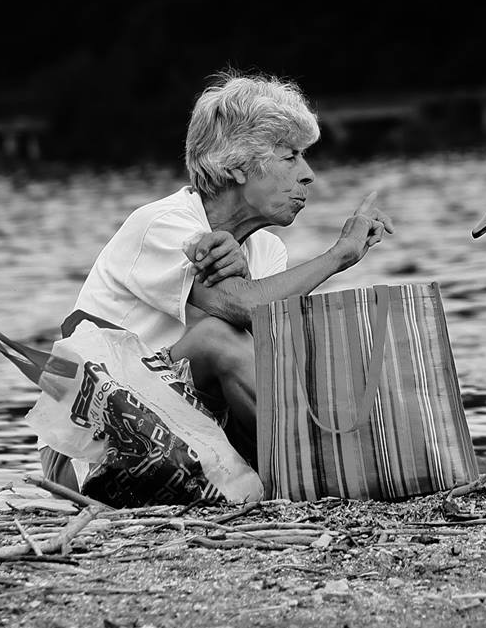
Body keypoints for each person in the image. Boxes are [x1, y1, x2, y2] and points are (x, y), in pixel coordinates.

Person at [42, 71, 393, 489]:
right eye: (291, 156)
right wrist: (340, 255)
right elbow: (241, 307)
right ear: (241, 166)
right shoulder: (161, 223)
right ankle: (340, 470)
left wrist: (244, 274)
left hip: (188, 440)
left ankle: (336, 465)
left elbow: (269, 353)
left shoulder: (266, 250)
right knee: (216, 338)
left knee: (260, 349)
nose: (308, 174)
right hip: (90, 450)